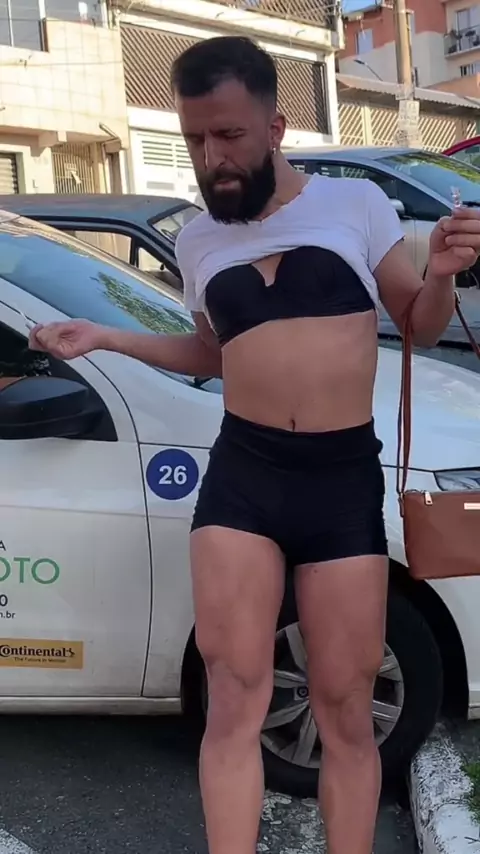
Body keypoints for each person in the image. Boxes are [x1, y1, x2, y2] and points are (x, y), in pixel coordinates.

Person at [29, 36, 480, 854]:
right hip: (245, 473)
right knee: (233, 697)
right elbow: (215, 352)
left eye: (229, 135)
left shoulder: (355, 206)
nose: (212, 157)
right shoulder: (199, 240)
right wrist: (108, 337)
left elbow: (417, 322)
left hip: (340, 478)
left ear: (275, 128)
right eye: (196, 139)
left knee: (345, 706)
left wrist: (443, 272)